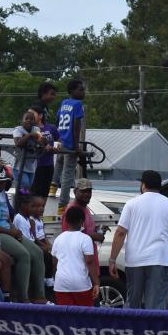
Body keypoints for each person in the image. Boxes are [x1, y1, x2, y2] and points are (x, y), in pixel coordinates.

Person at [108, 170, 168, 310]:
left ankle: (132, 330)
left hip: (134, 261)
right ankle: (153, 331)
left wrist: (112, 259)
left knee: (133, 303)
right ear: (159, 185)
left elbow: (120, 233)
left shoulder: (131, 204)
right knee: (156, 306)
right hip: (159, 260)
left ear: (143, 185)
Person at [0, 166, 46, 304]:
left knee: (38, 253)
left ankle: (40, 296)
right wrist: (11, 232)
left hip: (9, 230)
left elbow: (7, 216)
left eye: (4, 182)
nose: (2, 185)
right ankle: (23, 297)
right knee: (23, 255)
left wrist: (15, 229)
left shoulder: (3, 193)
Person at [51, 205, 99, 306]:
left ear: (67, 221)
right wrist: (96, 283)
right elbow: (90, 262)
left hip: (61, 285)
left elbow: (54, 263)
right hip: (81, 285)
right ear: (82, 221)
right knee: (84, 317)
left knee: (66, 318)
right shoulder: (85, 239)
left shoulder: (58, 239)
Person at [55, 79, 87, 210]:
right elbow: (76, 125)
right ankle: (62, 205)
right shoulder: (78, 104)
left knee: (58, 164)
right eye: (81, 89)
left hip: (61, 140)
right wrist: (76, 146)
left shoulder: (64, 102)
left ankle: (52, 187)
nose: (83, 92)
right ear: (72, 91)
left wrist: (59, 136)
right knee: (68, 175)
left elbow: (57, 119)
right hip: (70, 143)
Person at [67, 179, 104, 245]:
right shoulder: (71, 211)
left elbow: (85, 230)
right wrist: (95, 236)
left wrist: (98, 230)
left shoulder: (85, 208)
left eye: (89, 191)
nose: (87, 194)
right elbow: (69, 237)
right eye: (83, 191)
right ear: (75, 192)